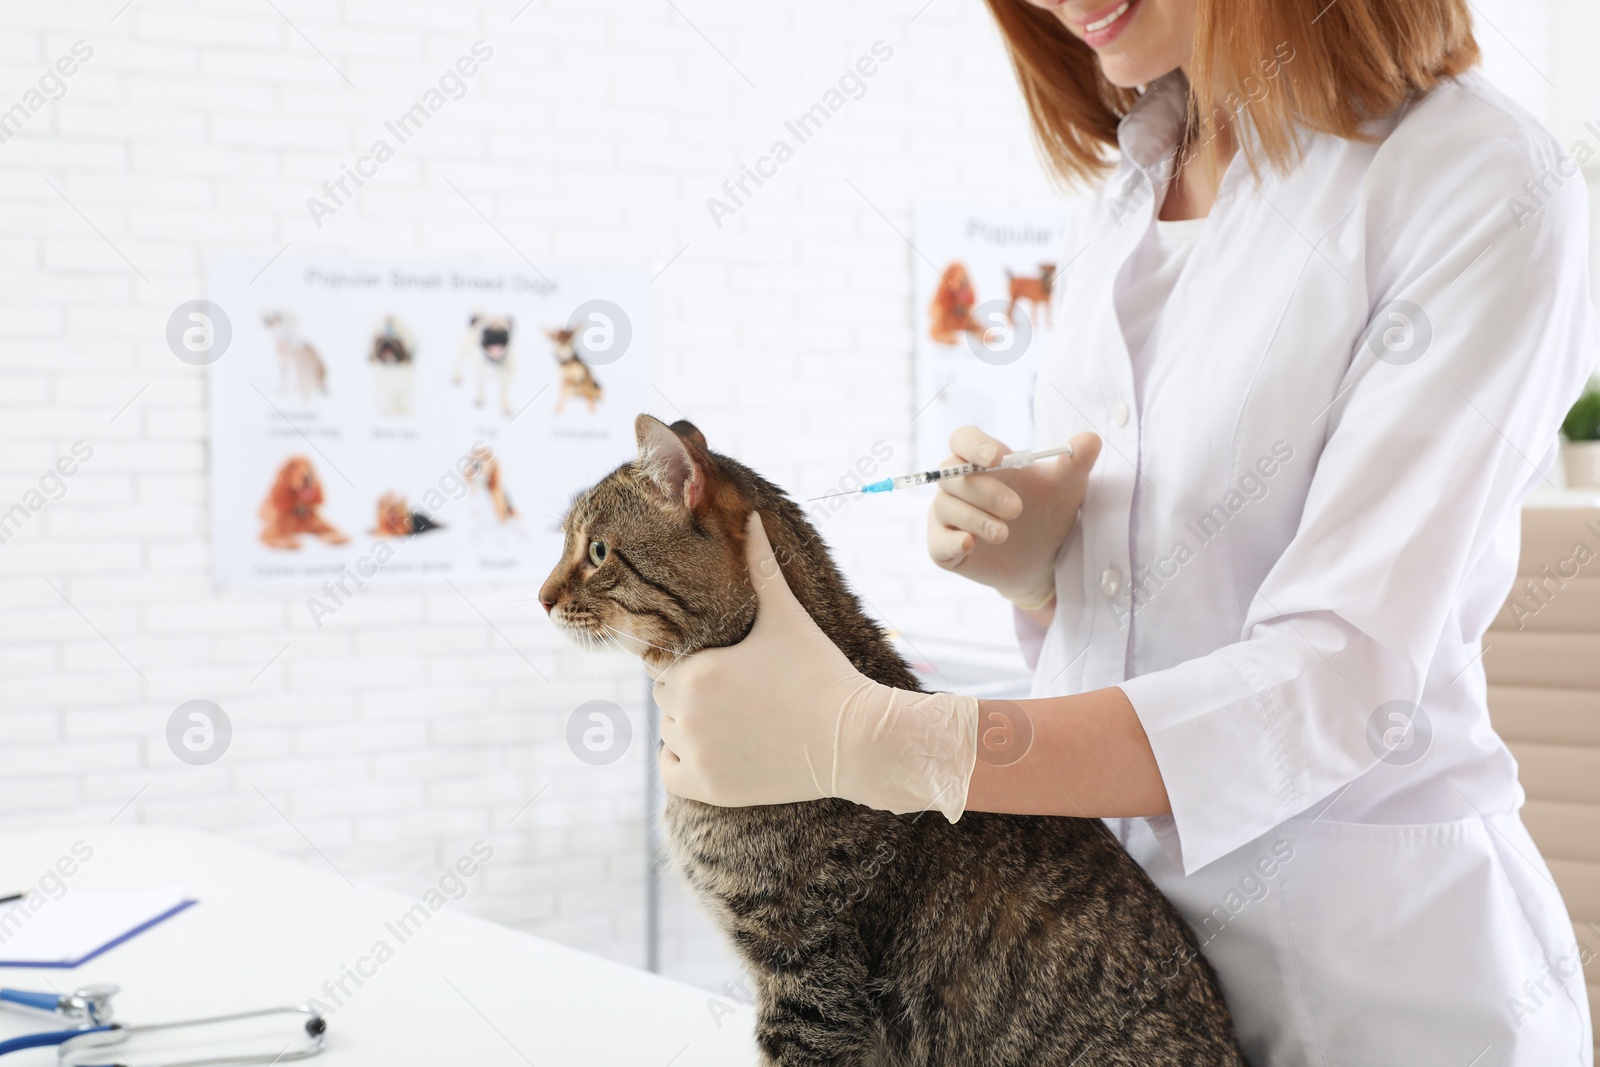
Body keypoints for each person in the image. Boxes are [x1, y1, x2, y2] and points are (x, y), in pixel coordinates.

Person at [649, 0, 1599, 1063]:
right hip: (1104, 976)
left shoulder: (1480, 180)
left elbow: (1341, 673)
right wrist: (1041, 575)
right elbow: (1156, 619)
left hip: (1373, 993)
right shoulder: (1130, 186)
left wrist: (903, 743)